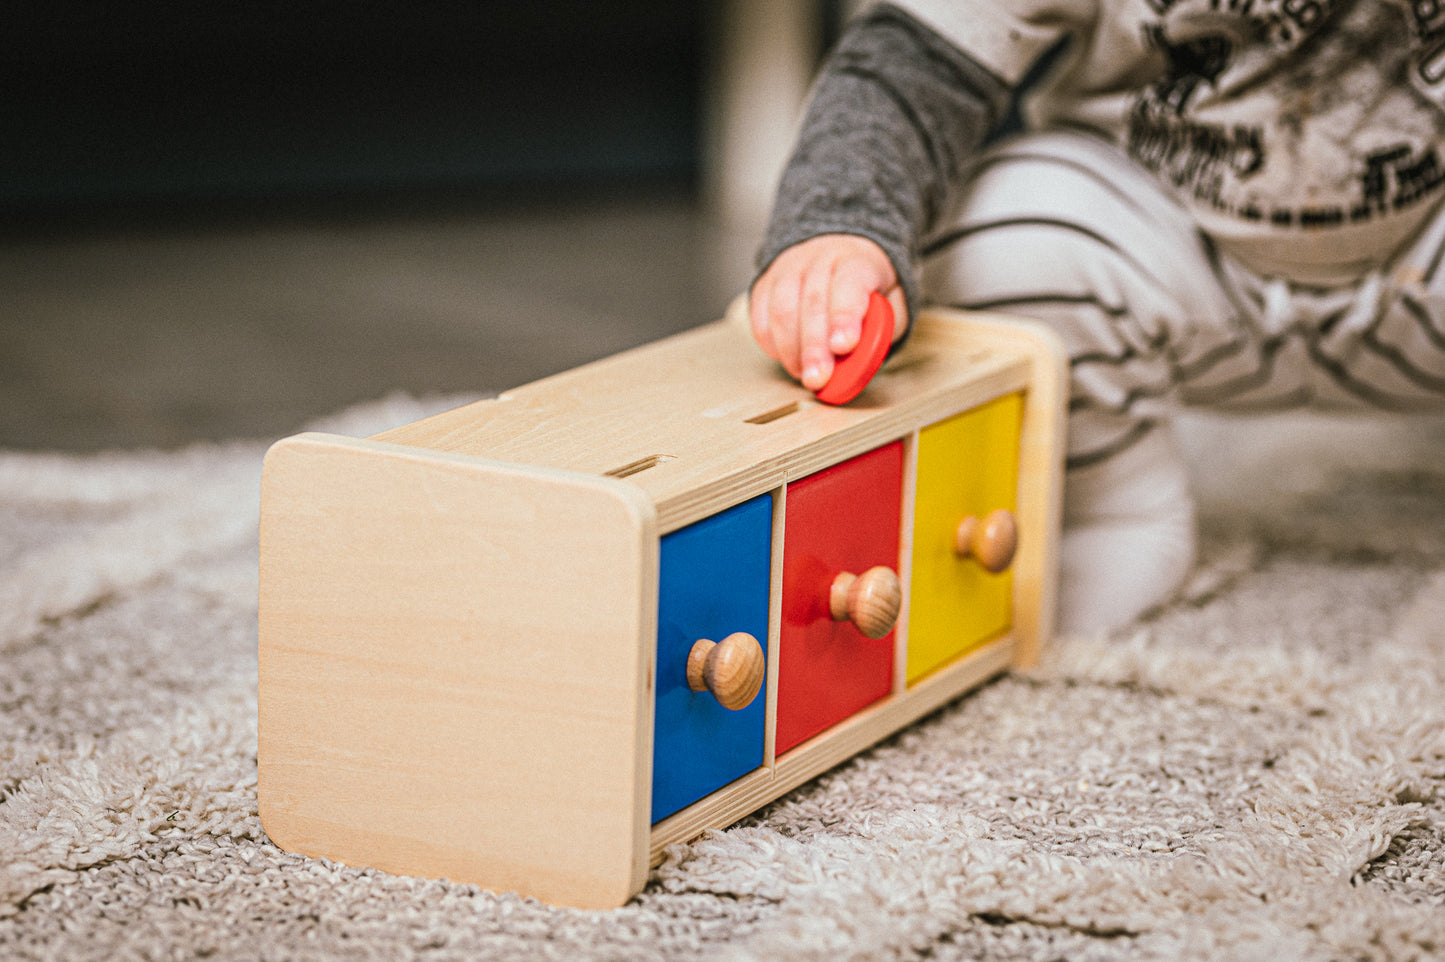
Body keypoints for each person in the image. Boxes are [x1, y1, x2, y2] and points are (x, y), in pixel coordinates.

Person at [748, 0, 1445, 635]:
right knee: (1001, 227)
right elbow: (916, 57)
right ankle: (1119, 505)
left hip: (1423, 285)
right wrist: (840, 226)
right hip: (1181, 282)